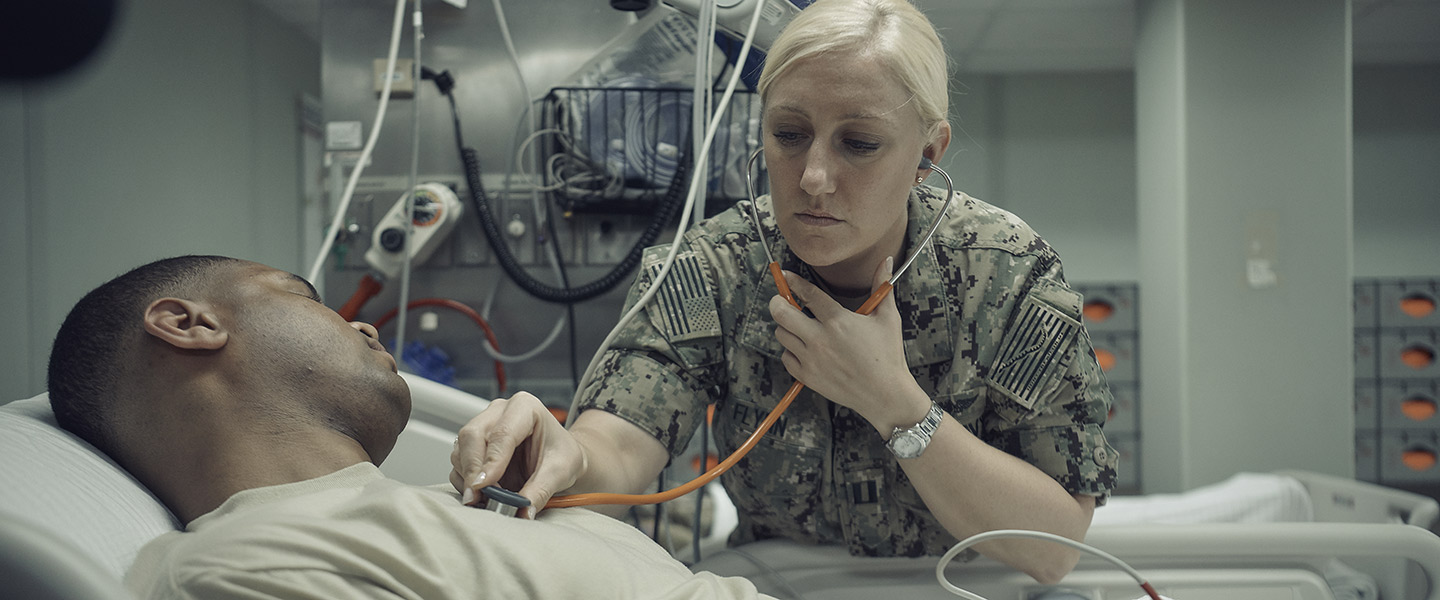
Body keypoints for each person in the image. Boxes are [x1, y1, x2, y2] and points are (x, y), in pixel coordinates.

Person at [452, 0, 1119, 585]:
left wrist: (893, 402)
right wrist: (559, 453)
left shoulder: (1009, 276)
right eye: (789, 136)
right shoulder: (716, 265)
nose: (815, 178)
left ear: (927, 153)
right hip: (777, 584)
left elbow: (1052, 547)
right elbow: (622, 447)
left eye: (859, 143)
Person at [46, 255, 776, 600]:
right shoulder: (241, 566)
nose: (361, 319)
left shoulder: (424, 506)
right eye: (304, 297)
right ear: (188, 324)